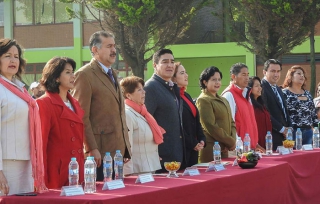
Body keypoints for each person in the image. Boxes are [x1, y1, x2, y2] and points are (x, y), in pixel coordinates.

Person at [71, 31, 131, 181]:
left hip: (116, 151)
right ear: (95, 50)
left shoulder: (112, 73)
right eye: (109, 46)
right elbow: (81, 116)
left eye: (114, 46)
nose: (114, 50)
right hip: (99, 153)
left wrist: (125, 147)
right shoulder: (84, 75)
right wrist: (91, 148)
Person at [0, 38, 46, 195]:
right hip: (6, 165)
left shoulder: (21, 89)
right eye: (7, 55)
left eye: (16, 56)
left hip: (26, 162)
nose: (13, 60)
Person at [36, 57, 84, 189]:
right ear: (56, 77)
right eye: (68, 72)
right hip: (57, 171)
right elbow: (41, 145)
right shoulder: (43, 103)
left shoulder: (75, 103)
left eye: (73, 72)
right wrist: (40, 178)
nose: (73, 76)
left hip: (76, 169)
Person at [144, 48, 185, 172]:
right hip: (161, 157)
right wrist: (153, 152)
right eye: (165, 62)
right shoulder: (150, 88)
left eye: (172, 62)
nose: (170, 65)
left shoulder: (171, 87)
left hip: (176, 154)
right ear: (155, 65)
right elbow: (146, 123)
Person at [120, 76, 163, 175]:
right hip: (137, 171)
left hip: (150, 166)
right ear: (129, 95)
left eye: (143, 89)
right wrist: (127, 173)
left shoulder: (143, 112)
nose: (144, 92)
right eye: (139, 90)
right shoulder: (127, 114)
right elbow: (127, 146)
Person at [196, 66, 236, 161]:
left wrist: (232, 141)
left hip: (225, 148)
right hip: (211, 150)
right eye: (214, 80)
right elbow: (211, 126)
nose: (217, 82)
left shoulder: (224, 100)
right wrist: (230, 142)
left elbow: (232, 123)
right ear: (205, 82)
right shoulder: (203, 100)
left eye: (219, 79)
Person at [222, 63, 263, 151]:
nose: (247, 78)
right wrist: (239, 147)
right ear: (233, 76)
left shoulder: (247, 94)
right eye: (243, 75)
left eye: (248, 75)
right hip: (239, 150)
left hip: (251, 148)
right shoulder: (229, 95)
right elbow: (229, 124)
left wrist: (255, 144)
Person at [172, 62, 206, 166]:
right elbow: (176, 126)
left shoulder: (186, 95)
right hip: (182, 148)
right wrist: (192, 143)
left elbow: (196, 120)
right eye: (182, 73)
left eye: (186, 72)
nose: (186, 75)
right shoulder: (173, 97)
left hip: (194, 148)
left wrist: (201, 139)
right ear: (173, 78)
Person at [282, 66, 318, 145]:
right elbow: (281, 113)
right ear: (290, 76)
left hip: (309, 132)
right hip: (292, 132)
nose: (302, 76)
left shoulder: (307, 93)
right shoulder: (284, 93)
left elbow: (313, 113)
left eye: (303, 74)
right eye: (299, 73)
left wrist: (316, 129)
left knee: (308, 156)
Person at [261, 59, 291, 150]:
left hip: (284, 136)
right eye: (273, 71)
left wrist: (289, 128)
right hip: (271, 135)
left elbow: (284, 111)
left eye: (278, 71)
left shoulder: (277, 88)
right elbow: (265, 112)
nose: (276, 74)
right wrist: (282, 129)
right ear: (264, 72)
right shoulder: (261, 88)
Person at [248, 76, 272, 149]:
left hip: (267, 141)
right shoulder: (249, 104)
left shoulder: (261, 104)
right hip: (256, 143)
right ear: (250, 89)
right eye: (256, 86)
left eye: (260, 86)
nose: (260, 88)